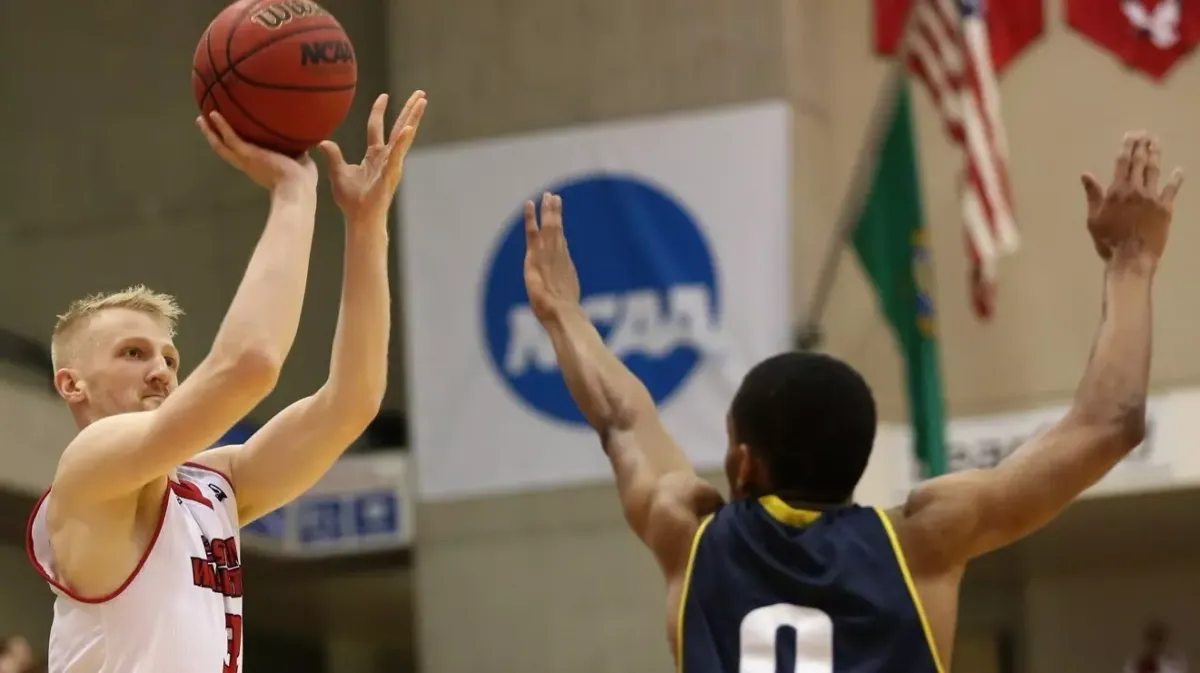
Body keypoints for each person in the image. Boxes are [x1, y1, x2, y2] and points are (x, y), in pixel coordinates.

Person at [522, 130, 1181, 672]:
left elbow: (621, 416)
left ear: (744, 462)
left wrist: (564, 317)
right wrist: (1132, 261)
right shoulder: (925, 538)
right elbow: (1107, 426)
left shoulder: (690, 536)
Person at [26, 90, 426, 673]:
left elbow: (352, 402)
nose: (160, 368)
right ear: (72, 384)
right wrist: (293, 193)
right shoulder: (89, 470)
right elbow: (249, 366)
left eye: (168, 355)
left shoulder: (211, 488)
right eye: (133, 352)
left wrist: (366, 223)